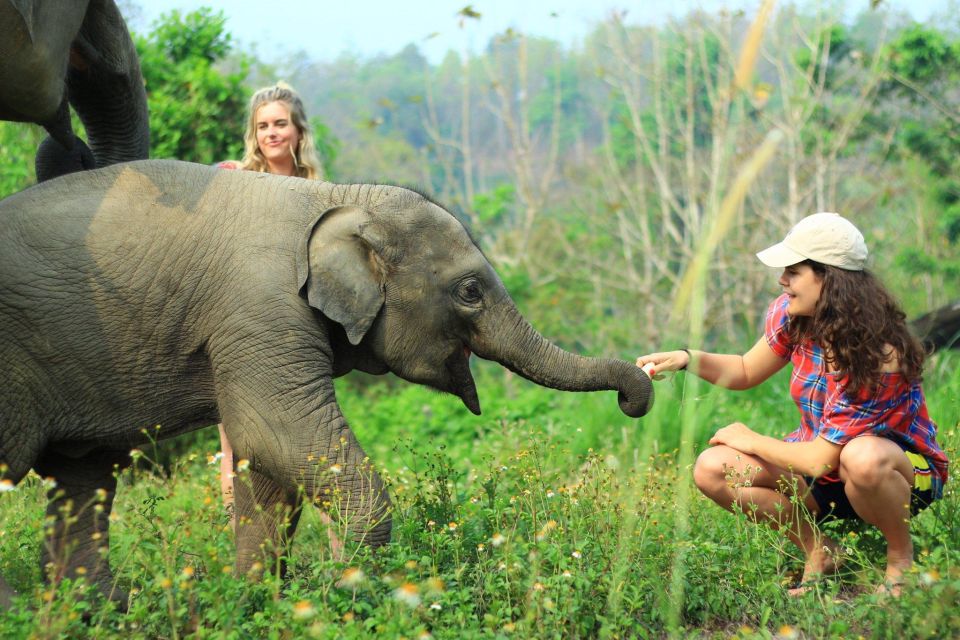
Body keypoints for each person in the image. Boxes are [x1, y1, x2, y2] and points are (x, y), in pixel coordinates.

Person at [636, 212, 948, 596]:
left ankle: (900, 559)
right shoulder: (792, 314)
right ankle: (821, 551)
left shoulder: (882, 355)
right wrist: (688, 358)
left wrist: (749, 439)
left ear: (830, 279)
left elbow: (821, 460)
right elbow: (746, 369)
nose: (783, 280)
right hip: (824, 470)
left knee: (862, 456)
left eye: (794, 271)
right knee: (713, 468)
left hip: (897, 474)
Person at [215, 81, 324, 518]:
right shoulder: (235, 181)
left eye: (280, 124)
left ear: (299, 132)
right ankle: (231, 498)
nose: (271, 134)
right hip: (241, 318)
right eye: (263, 127)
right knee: (235, 435)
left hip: (296, 326)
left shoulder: (319, 191)